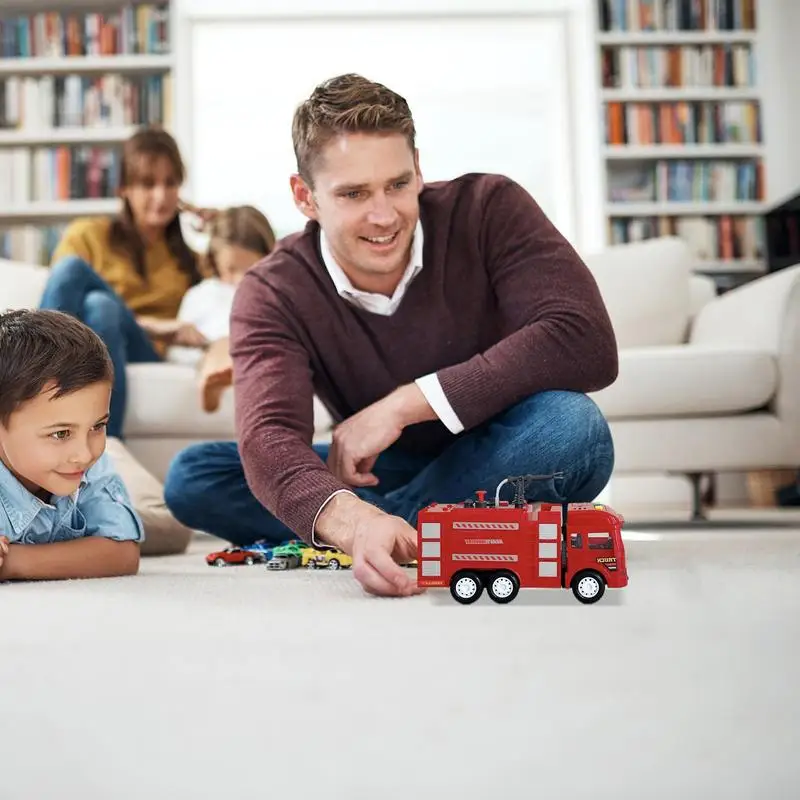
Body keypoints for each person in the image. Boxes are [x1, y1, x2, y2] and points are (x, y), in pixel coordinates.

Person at [163, 73, 619, 598]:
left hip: (503, 447)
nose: (384, 216)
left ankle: (383, 533)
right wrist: (352, 515)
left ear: (419, 168)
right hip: (380, 473)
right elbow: (271, 436)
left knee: (572, 429)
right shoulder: (274, 289)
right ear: (304, 197)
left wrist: (402, 406)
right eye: (354, 193)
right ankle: (422, 529)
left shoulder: (491, 208)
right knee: (194, 476)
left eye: (398, 185)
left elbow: (586, 341)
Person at [39, 125, 209, 441]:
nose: (160, 196)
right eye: (147, 184)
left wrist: (223, 225)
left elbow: (241, 291)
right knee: (96, 302)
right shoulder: (89, 235)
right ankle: (107, 444)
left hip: (142, 351)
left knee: (104, 308)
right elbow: (62, 291)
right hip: (87, 345)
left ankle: (26, 391)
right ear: (124, 189)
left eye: (170, 183)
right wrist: (156, 325)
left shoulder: (192, 261)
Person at [0, 309, 143, 582]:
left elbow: (123, 553)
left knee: (168, 528)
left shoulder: (90, 461)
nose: (84, 453)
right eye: (61, 433)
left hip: (116, 473)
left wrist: (12, 562)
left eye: (98, 426)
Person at [165, 205, 276, 412]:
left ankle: (226, 372)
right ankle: (214, 379)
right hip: (212, 348)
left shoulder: (275, 292)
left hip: (258, 347)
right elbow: (176, 352)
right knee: (221, 346)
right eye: (231, 269)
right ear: (214, 261)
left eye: (251, 268)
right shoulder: (201, 294)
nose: (241, 279)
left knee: (237, 342)